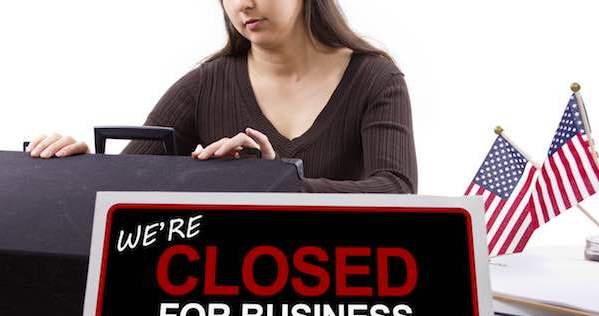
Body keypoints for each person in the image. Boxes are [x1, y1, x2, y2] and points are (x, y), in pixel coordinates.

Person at [26, 0, 417, 193]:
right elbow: (127, 186)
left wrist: (279, 181)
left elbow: (398, 189)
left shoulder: (376, 78)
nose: (242, 4)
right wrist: (77, 167)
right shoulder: (202, 85)